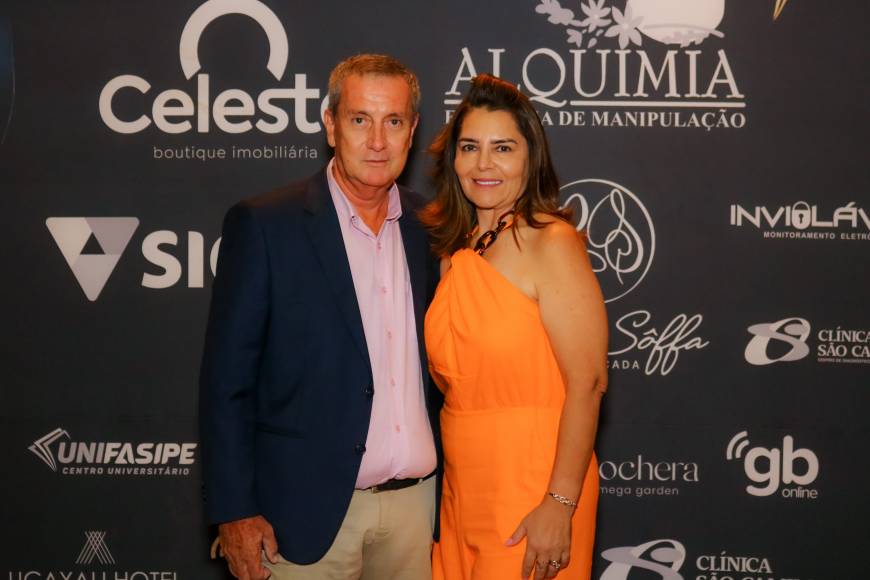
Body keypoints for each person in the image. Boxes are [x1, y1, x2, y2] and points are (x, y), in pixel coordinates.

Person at [199, 54, 442, 580]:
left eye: (393, 121)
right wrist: (233, 510)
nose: (377, 141)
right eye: (359, 119)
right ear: (331, 125)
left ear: (412, 131)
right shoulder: (265, 225)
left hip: (416, 515)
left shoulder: (432, 227)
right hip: (302, 518)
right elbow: (227, 383)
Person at [421, 74, 608, 580]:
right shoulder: (454, 253)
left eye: (502, 148)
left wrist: (559, 502)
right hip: (461, 489)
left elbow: (588, 382)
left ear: (530, 158)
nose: (484, 164)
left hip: (534, 486)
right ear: (453, 159)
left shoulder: (551, 243)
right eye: (470, 147)